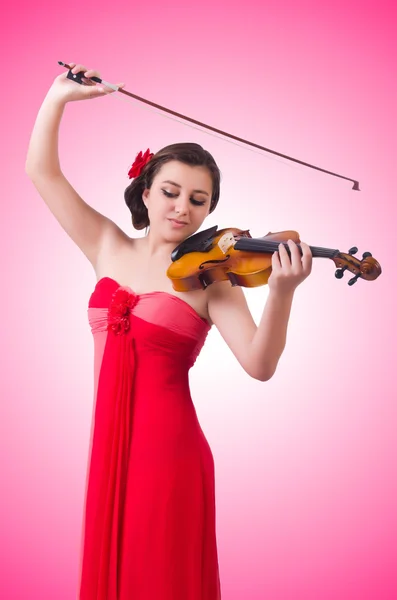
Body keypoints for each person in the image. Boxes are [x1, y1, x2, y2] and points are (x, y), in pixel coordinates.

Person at [25, 63, 312, 600]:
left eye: (198, 200)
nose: (182, 208)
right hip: (109, 445)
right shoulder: (106, 245)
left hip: (170, 454)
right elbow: (41, 173)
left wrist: (281, 292)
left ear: (209, 209)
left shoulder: (210, 279)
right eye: (171, 192)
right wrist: (57, 99)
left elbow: (259, 364)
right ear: (147, 192)